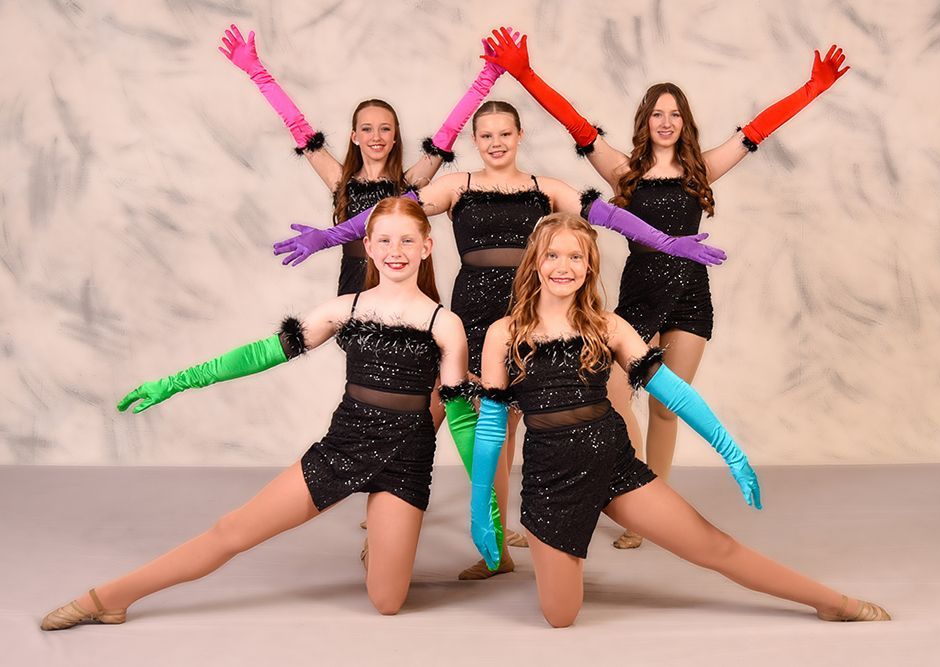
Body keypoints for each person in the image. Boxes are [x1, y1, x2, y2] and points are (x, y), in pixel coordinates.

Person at [274, 100, 726, 578]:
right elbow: (393, 217)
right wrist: (325, 239)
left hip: (528, 317)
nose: (495, 143)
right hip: (471, 318)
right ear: (475, 141)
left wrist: (668, 243)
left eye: (504, 134)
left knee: (506, 428)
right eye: (486, 135)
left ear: (519, 135)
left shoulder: (544, 188)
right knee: (426, 413)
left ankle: (505, 545)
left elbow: (611, 218)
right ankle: (397, 518)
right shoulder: (456, 186)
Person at [484, 27, 850, 548]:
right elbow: (574, 122)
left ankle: (653, 508)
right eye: (658, 112)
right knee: (611, 393)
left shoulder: (702, 170)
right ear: (645, 121)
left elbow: (757, 131)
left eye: (675, 113)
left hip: (690, 296)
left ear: (685, 123)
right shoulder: (623, 172)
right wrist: (524, 74)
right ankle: (617, 490)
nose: (666, 121)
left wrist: (811, 89)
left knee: (665, 405)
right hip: (639, 294)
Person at [40, 198, 473, 629]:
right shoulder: (344, 309)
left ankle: (379, 547)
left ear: (427, 246)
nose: (395, 250)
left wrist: (485, 500)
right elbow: (261, 354)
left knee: (387, 602)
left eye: (406, 240)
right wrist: (177, 381)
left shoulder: (444, 322)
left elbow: (455, 410)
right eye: (385, 240)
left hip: (406, 459)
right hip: (346, 445)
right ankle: (107, 597)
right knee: (231, 532)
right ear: (369, 245)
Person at [468, 212, 889, 627]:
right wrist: (481, 505)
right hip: (552, 479)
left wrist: (731, 450)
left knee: (715, 546)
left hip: (611, 464)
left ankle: (832, 601)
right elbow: (490, 427)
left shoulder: (607, 326)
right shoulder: (504, 333)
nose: (564, 267)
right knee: (561, 617)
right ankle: (566, 555)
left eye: (576, 257)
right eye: (553, 256)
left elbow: (673, 392)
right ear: (535, 262)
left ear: (590, 265)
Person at [219, 23, 509, 294]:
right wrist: (256, 71)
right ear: (354, 136)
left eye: (385, 129)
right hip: (355, 283)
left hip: (400, 282)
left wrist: (487, 77)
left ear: (395, 137)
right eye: (367, 129)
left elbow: (448, 131)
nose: (376, 137)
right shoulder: (340, 179)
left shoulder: (407, 184)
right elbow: (296, 124)